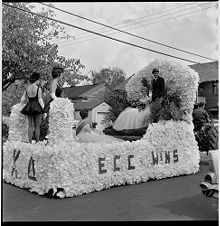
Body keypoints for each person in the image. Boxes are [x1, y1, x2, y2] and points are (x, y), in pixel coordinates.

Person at [20, 72, 44, 143]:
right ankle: (37, 142)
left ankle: (30, 142)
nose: (39, 81)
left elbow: (22, 98)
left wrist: (20, 104)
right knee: (37, 126)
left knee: (30, 126)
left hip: (29, 106)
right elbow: (40, 99)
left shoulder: (27, 88)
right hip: (37, 106)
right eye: (39, 80)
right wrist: (43, 109)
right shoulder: (38, 88)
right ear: (37, 80)